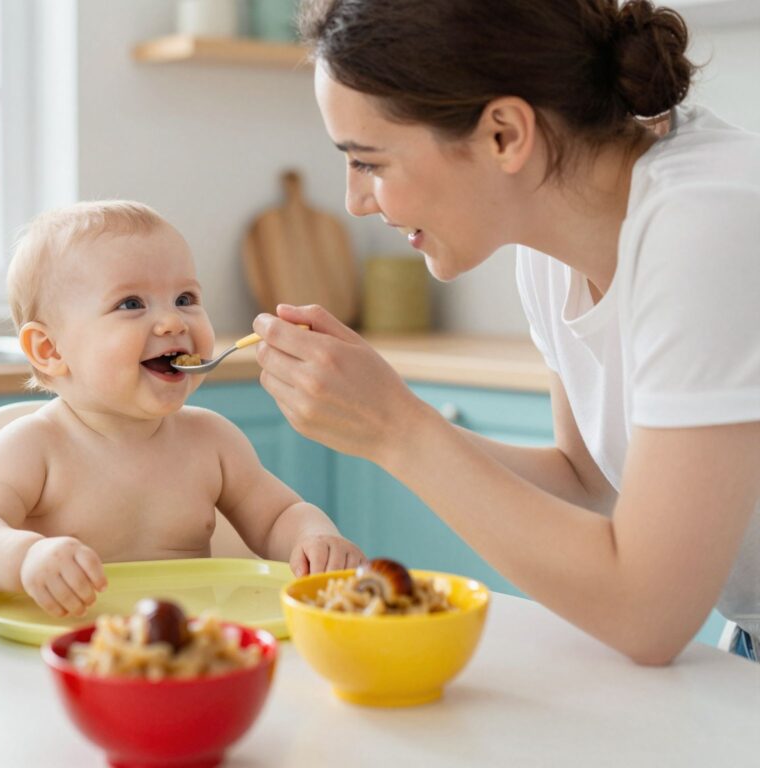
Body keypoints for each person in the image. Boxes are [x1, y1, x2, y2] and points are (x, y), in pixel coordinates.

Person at [252, 0, 760, 665]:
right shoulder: (552, 247)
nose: (356, 200)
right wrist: (380, 414)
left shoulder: (709, 224)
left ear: (503, 135)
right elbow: (587, 482)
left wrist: (398, 431)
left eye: (370, 161)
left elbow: (648, 613)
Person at [0, 201, 363, 617]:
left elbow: (278, 517)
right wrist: (26, 557)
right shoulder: (33, 447)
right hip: (67, 653)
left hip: (190, 652)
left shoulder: (212, 441)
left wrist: (314, 537)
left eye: (184, 298)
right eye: (131, 304)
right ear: (50, 349)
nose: (173, 322)